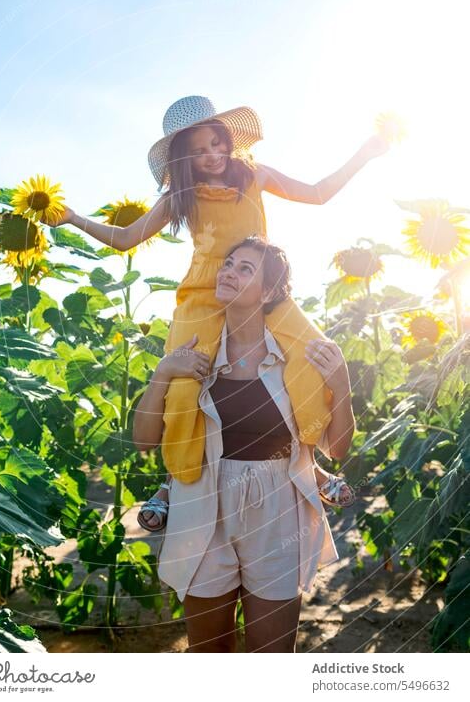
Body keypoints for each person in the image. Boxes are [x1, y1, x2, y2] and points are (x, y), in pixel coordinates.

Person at [45, 95, 390, 519]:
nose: (212, 155)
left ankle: (309, 464)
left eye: (216, 143)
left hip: (261, 285)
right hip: (203, 294)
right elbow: (126, 238)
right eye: (198, 150)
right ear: (183, 160)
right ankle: (174, 481)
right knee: (184, 380)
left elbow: (318, 193)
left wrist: (366, 153)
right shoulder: (180, 195)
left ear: (228, 139)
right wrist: (73, 218)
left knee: (309, 358)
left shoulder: (255, 176)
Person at [132, 236, 355, 652]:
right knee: (208, 652)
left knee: (270, 656)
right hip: (203, 502)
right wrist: (162, 373)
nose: (229, 272)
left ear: (269, 292)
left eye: (245, 269)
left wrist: (342, 385)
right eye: (229, 263)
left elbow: (338, 448)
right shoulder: (192, 350)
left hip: (278, 510)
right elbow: (144, 439)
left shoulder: (297, 362)